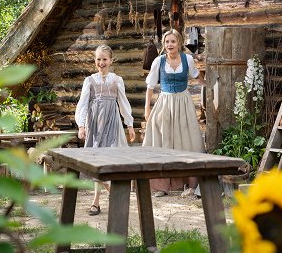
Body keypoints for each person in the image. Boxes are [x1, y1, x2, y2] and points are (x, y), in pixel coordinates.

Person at [143, 29, 206, 197]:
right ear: (164, 44)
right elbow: (150, 87)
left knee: (188, 140)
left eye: (173, 41)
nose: (169, 45)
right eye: (167, 42)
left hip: (184, 102)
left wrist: (210, 86)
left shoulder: (187, 59)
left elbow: (196, 77)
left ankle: (189, 184)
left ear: (179, 43)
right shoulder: (158, 61)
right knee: (163, 141)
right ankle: (160, 187)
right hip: (165, 102)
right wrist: (147, 109)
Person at [75, 44, 136, 215]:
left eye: (104, 59)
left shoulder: (117, 80)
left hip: (112, 123)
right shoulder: (90, 81)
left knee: (111, 160)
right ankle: (103, 197)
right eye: (98, 59)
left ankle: (102, 199)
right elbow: (83, 104)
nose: (101, 63)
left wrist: (129, 124)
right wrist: (81, 125)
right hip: (95, 125)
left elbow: (123, 103)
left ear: (111, 60)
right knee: (95, 162)